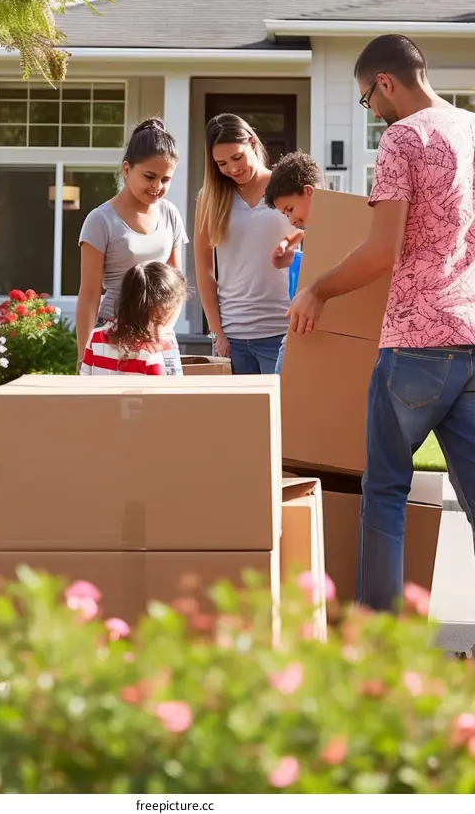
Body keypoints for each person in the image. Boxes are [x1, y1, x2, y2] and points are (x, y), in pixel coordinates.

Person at [287, 33, 475, 613]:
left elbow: (381, 250)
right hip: (470, 334)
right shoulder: (470, 127)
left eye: (368, 98)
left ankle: (379, 642)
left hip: (416, 346)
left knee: (386, 491)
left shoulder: (403, 137)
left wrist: (316, 288)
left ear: (386, 83)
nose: (372, 111)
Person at [76, 118, 187, 364]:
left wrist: (163, 329)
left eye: (166, 179)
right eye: (149, 176)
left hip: (160, 336)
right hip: (113, 333)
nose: (157, 186)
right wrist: (83, 356)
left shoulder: (170, 214)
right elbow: (89, 294)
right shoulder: (100, 220)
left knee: (163, 403)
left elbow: (177, 286)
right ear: (126, 169)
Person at [194, 113, 290, 374]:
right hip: (232, 338)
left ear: (252, 144)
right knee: (238, 416)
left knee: (284, 414)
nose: (232, 169)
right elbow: (204, 269)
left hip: (282, 333)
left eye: (237, 157)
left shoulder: (286, 186)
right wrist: (217, 333)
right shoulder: (209, 198)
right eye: (221, 163)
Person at [264, 151, 323, 374]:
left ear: (309, 191)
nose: (291, 220)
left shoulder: (338, 226)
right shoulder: (311, 233)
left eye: (289, 210)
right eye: (285, 215)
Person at [80, 261, 187, 376]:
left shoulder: (95, 339)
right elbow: (171, 392)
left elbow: (84, 381)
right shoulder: (153, 357)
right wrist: (169, 352)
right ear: (163, 309)